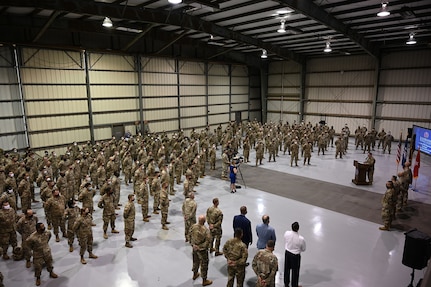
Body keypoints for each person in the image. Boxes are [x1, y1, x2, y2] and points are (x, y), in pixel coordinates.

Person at [190, 215, 213, 286]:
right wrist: (199, 247)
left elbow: (189, 235)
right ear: (204, 221)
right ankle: (204, 280)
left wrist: (193, 244)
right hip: (202, 251)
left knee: (195, 261)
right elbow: (208, 241)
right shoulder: (206, 230)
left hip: (194, 248)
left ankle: (195, 274)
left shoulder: (193, 226)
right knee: (204, 264)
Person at [284, 221, 306, 287]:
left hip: (287, 253)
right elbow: (303, 249)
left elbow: (285, 240)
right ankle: (294, 285)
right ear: (298, 228)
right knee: (295, 271)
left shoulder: (287, 233)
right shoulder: (301, 239)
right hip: (295, 256)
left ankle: (286, 283)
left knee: (286, 269)